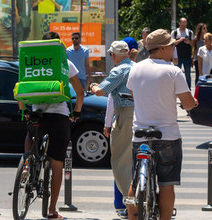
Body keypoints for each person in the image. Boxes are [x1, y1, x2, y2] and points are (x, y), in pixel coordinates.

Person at [126, 29, 198, 220]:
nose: (173, 49)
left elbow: (135, 97)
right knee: (166, 184)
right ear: (162, 49)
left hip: (139, 135)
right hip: (167, 135)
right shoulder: (173, 71)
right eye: (171, 46)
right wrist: (192, 103)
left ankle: (132, 213)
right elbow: (189, 104)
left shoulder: (135, 69)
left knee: (135, 178)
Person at [20, 31, 84, 219]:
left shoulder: (32, 59)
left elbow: (21, 87)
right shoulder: (65, 62)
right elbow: (79, 92)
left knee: (31, 135)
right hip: (58, 117)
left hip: (37, 114)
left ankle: (26, 163)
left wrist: (24, 110)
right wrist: (77, 112)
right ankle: (52, 210)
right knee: (57, 164)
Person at [90, 41, 134, 215]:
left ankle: (131, 201)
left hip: (126, 115)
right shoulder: (138, 67)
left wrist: (93, 86)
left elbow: (102, 92)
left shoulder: (119, 70)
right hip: (144, 115)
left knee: (121, 161)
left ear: (113, 55)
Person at [171, 17, 194, 90]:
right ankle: (177, 90)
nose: (184, 26)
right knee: (176, 75)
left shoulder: (190, 32)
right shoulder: (175, 32)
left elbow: (193, 44)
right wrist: (180, 40)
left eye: (185, 24)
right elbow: (172, 44)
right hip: (177, 56)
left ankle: (188, 90)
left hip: (187, 56)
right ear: (179, 23)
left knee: (188, 75)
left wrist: (189, 42)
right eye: (182, 24)